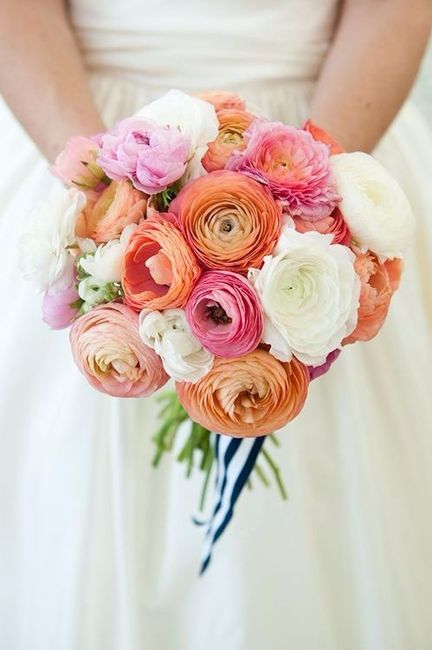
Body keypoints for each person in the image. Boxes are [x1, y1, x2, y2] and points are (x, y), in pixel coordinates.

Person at [0, 1, 431, 649]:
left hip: (326, 125)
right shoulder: (96, 171)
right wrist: (106, 193)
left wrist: (309, 204)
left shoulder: (319, 174)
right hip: (81, 126)